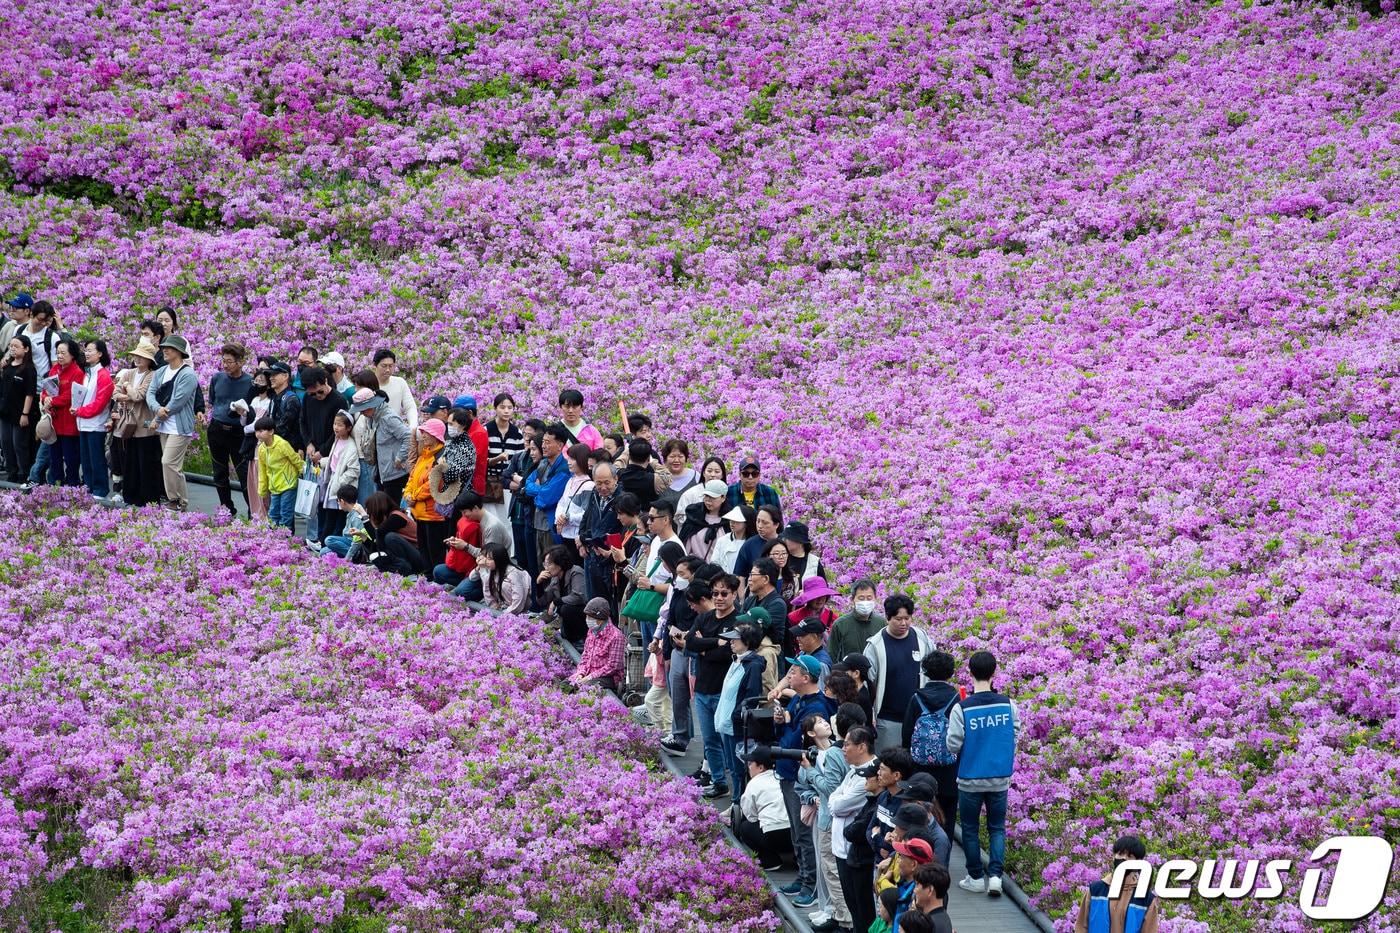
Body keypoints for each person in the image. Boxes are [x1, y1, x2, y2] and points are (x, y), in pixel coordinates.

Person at [946, 650, 1020, 898]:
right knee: (996, 828)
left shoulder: (962, 708)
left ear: (970, 673)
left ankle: (976, 877)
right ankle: (996, 877)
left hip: (970, 778)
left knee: (969, 828)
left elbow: (953, 744)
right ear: (994, 672)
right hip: (999, 777)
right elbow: (1014, 736)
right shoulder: (1008, 704)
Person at [773, 654, 838, 909]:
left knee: (804, 832)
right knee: (795, 831)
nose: (789, 674)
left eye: (794, 671)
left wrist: (786, 726)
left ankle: (811, 886)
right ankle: (802, 877)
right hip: (788, 772)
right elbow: (785, 734)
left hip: (802, 775)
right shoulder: (798, 699)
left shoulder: (816, 708)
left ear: (806, 677)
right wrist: (782, 722)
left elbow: (794, 744)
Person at [798, 712, 851, 933]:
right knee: (829, 868)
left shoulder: (835, 753)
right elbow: (802, 788)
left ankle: (844, 918)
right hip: (828, 817)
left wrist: (811, 772)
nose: (825, 723)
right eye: (819, 722)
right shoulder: (811, 757)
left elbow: (830, 787)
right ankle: (834, 911)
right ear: (811, 733)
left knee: (832, 869)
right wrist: (812, 797)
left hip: (833, 818)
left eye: (824, 720)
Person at [687, 572, 738, 800]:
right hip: (702, 689)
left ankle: (736, 787)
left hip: (723, 691)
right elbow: (690, 642)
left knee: (726, 742)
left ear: (734, 595)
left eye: (724, 593)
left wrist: (705, 647)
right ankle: (718, 782)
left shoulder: (738, 621)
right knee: (709, 741)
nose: (718, 597)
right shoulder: (704, 618)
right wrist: (715, 642)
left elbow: (727, 652)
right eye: (715, 593)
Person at [865, 594, 937, 752]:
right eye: (898, 619)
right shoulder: (876, 645)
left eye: (907, 618)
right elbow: (867, 682)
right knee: (890, 766)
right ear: (888, 618)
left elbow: (934, 669)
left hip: (920, 718)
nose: (904, 623)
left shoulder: (921, 638)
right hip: (888, 720)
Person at [902, 650, 963, 838]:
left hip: (920, 771)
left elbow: (906, 735)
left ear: (926, 672)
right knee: (948, 818)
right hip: (949, 770)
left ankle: (920, 859)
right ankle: (942, 862)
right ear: (951, 673)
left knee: (919, 818)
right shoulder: (957, 699)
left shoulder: (916, 698)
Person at [829, 732, 880, 933]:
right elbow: (835, 798)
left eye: (847, 744)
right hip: (843, 851)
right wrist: (836, 802)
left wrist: (836, 802)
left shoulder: (869, 774)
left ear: (862, 746)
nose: (843, 749)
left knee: (863, 909)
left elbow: (840, 805)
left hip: (858, 854)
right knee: (854, 906)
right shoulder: (853, 771)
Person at [716, 622, 767, 807]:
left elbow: (751, 696)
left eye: (735, 639)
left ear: (747, 641)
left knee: (739, 769)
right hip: (728, 725)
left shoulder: (752, 666)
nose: (731, 642)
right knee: (733, 766)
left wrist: (735, 716)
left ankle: (739, 805)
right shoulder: (737, 660)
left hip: (736, 727)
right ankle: (736, 803)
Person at [200, 343, 252, 514]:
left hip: (238, 432)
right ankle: (226, 508)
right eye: (224, 361)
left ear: (240, 362)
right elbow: (214, 402)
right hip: (217, 429)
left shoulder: (249, 382)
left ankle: (254, 511)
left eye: (230, 361)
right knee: (219, 472)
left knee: (244, 473)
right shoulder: (217, 378)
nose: (226, 365)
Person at [1073, 835, 1161, 933]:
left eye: (1130, 856)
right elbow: (1081, 926)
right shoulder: (1096, 890)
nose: (1124, 858)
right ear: (1114, 856)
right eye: (1120, 853)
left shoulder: (1146, 899)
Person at [112, 342, 162, 507]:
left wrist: (126, 388)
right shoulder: (130, 373)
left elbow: (139, 396)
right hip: (129, 425)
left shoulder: (152, 375)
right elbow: (115, 393)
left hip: (146, 424)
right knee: (130, 462)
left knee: (146, 462)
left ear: (149, 360)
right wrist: (127, 393)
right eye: (136, 355)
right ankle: (131, 496)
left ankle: (148, 499)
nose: (137, 359)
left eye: (142, 357)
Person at [736, 745, 794, 873]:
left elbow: (751, 816)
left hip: (773, 835)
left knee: (745, 827)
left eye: (751, 763)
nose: (748, 766)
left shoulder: (754, 783)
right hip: (795, 834)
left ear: (761, 767)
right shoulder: (785, 777)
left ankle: (770, 861)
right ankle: (797, 857)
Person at [524, 423, 573, 575]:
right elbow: (527, 483)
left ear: (559, 446)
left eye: (547, 442)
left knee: (552, 569)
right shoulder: (544, 463)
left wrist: (536, 492)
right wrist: (538, 490)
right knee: (540, 567)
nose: (543, 446)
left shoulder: (564, 469)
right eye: (543, 441)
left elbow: (545, 499)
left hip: (550, 526)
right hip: (538, 523)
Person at [351, 388, 411, 504]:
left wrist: (400, 457)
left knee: (392, 511)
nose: (361, 413)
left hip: (395, 474)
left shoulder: (388, 418)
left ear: (371, 406)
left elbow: (407, 436)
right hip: (381, 472)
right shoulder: (372, 418)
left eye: (362, 410)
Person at [41, 336, 85, 488]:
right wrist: (45, 398)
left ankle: (73, 483)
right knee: (55, 457)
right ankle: (56, 483)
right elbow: (46, 389)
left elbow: (69, 396)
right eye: (58, 352)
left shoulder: (77, 372)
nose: (59, 356)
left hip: (69, 423)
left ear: (72, 355)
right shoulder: (54, 369)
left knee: (71, 457)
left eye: (63, 353)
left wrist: (52, 401)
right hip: (55, 421)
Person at [405, 419, 449, 570]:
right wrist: (408, 493)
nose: (422, 436)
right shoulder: (423, 456)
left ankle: (436, 580)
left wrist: (414, 496)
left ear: (435, 436)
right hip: (419, 512)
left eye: (426, 433)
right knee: (423, 547)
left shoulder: (441, 458)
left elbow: (434, 483)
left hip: (433, 514)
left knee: (435, 550)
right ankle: (428, 577)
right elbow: (412, 477)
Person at [73, 339, 114, 499]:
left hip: (96, 424)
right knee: (86, 460)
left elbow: (99, 404)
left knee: (96, 460)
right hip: (83, 423)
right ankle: (88, 488)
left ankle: (100, 489)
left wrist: (80, 411)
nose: (87, 353)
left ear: (100, 354)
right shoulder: (88, 373)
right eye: (86, 350)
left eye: (90, 350)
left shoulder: (103, 375)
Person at [313, 411, 360, 543]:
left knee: (336, 520)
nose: (335, 427)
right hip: (333, 485)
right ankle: (324, 544)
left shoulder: (351, 446)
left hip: (340, 488)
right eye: (334, 424)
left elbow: (354, 470)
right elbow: (336, 462)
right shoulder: (337, 440)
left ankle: (326, 545)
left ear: (349, 428)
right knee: (331, 517)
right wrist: (323, 463)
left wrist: (339, 483)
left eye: (339, 425)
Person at [255, 416, 304, 531]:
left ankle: (285, 541)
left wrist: (303, 472)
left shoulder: (282, 444)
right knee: (273, 514)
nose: (258, 434)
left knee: (285, 513)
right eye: (257, 431)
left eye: (261, 431)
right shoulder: (261, 448)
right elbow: (262, 470)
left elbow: (295, 459)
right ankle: (273, 541)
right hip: (274, 486)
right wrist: (262, 489)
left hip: (288, 484)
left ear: (271, 431)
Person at [241, 368, 277, 521]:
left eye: (262, 380)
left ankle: (265, 516)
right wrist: (242, 415)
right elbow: (246, 422)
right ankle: (255, 515)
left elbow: (257, 425)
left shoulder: (271, 402)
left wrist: (246, 428)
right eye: (257, 380)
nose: (258, 382)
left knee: (262, 481)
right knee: (252, 482)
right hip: (251, 445)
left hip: (262, 446)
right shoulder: (254, 400)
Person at [0, 333, 37, 483]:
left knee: (19, 444)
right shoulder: (7, 366)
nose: (12, 349)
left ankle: (23, 473)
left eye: (16, 346)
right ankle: (11, 471)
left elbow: (30, 393)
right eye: (11, 346)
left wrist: (25, 413)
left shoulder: (28, 369)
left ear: (26, 349)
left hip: (20, 413)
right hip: (5, 412)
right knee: (5, 443)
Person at [569, 597, 626, 692]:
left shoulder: (616, 636)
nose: (587, 620)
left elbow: (613, 666)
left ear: (600, 619)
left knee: (583, 688)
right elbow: (586, 656)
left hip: (608, 677)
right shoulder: (592, 631)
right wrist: (581, 673)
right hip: (589, 673)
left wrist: (590, 677)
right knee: (566, 685)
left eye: (590, 617)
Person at [363, 490, 424, 576]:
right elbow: (376, 542)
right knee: (388, 539)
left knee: (390, 537)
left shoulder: (396, 517)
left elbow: (379, 535)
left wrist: (366, 519)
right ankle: (401, 567)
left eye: (371, 512)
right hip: (414, 554)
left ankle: (406, 569)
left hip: (420, 556)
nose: (371, 515)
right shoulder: (390, 517)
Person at [539, 544, 588, 648]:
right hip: (567, 621)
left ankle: (581, 640)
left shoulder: (576, 572)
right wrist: (539, 584)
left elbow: (578, 597)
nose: (546, 568)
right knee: (547, 615)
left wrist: (556, 602)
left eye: (549, 564)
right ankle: (570, 638)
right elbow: (543, 601)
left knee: (566, 608)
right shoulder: (555, 578)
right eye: (545, 564)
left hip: (583, 615)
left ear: (560, 563)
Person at [828, 579, 885, 664]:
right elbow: (832, 655)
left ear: (875, 598)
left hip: (874, 675)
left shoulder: (881, 623)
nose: (865, 602)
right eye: (861, 598)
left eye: (869, 598)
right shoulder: (840, 625)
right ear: (852, 599)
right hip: (848, 674)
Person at [464, 542, 531, 614]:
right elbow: (472, 577)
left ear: (499, 559)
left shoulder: (513, 573)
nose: (485, 561)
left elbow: (518, 600)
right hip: (502, 606)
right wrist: (479, 567)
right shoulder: (491, 568)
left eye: (489, 558)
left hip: (516, 610)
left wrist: (502, 614)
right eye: (484, 556)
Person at [554, 442, 594, 549]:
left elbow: (586, 515)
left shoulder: (589, 485)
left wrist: (567, 518)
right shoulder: (571, 480)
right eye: (569, 458)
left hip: (576, 537)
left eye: (573, 459)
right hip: (565, 533)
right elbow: (562, 502)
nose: (569, 462)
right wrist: (559, 518)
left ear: (582, 460)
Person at [678, 479, 728, 560]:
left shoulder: (729, 520)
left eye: (713, 497)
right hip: (694, 568)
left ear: (723, 498)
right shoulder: (694, 516)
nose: (708, 501)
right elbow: (684, 543)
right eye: (706, 496)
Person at [733, 503, 782, 584]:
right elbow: (740, 575)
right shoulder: (749, 545)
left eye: (764, 523)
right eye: (758, 521)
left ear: (776, 524)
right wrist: (742, 596)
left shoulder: (784, 542)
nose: (760, 526)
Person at [263, 360, 303, 454]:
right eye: (270, 375)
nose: (271, 378)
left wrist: (265, 435)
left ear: (285, 376)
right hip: (274, 447)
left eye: (275, 375)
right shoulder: (274, 397)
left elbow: (284, 428)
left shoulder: (291, 399)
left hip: (288, 450)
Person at [372, 349, 417, 433]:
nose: (388, 370)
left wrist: (413, 426)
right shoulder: (367, 384)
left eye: (391, 366)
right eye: (384, 366)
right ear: (375, 365)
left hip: (395, 431)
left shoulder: (400, 382)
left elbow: (410, 407)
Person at [319, 485, 366, 558]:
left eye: (337, 500)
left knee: (329, 540)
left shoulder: (356, 516)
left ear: (342, 501)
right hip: (347, 542)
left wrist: (348, 557)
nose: (338, 503)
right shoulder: (350, 513)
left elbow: (357, 541)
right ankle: (350, 554)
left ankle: (355, 555)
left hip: (354, 545)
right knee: (324, 551)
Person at [710, 504, 753, 574]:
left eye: (737, 520)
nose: (732, 523)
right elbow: (714, 562)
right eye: (731, 519)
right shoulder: (722, 540)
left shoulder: (752, 542)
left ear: (746, 523)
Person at [912, 862, 953, 933]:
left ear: (930, 890)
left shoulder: (928, 926)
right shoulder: (942, 919)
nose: (914, 890)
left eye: (917, 885)